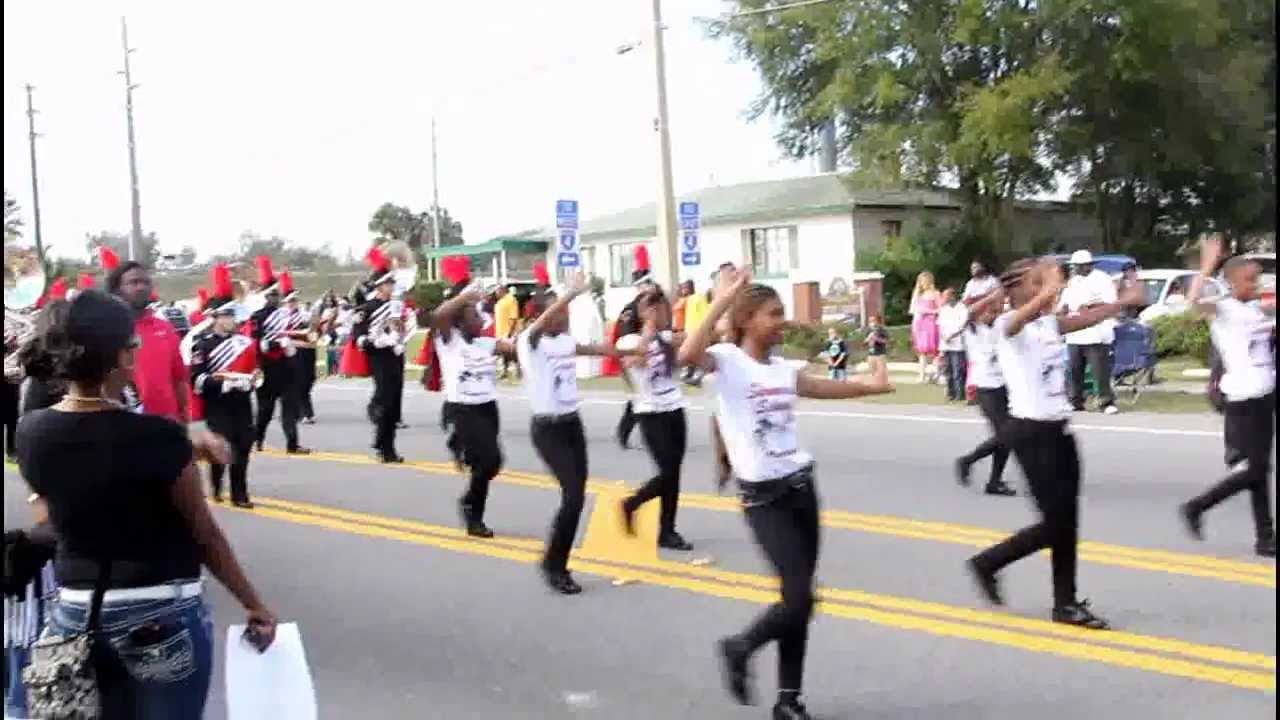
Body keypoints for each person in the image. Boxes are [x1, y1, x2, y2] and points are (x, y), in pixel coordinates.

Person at [13, 290, 277, 718]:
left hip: (75, 613)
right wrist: (253, 604)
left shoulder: (30, 432)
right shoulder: (157, 436)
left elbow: (62, 502)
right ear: (122, 357)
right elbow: (204, 533)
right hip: (159, 613)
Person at [679, 267, 894, 720]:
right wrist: (723, 298)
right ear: (748, 319)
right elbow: (687, 352)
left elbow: (824, 387)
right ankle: (740, 647)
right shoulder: (726, 360)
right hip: (765, 498)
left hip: (801, 487)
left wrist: (870, 387)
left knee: (797, 600)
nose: (781, 322)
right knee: (799, 599)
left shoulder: (782, 368)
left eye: (781, 314)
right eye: (773, 314)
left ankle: (788, 698)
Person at [967, 258, 1144, 630]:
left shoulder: (1049, 323)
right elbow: (1016, 321)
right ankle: (989, 563)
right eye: (1036, 282)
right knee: (1056, 524)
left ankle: (1065, 603)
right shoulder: (1006, 325)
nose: (1050, 286)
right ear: (1017, 291)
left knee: (1067, 522)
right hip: (1031, 434)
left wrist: (1124, 301)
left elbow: (1087, 319)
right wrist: (1049, 287)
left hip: (1060, 431)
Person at [517, 273, 626, 595]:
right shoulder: (529, 342)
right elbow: (542, 325)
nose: (565, 317)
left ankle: (555, 561)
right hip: (547, 428)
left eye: (566, 313)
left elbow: (586, 348)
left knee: (576, 498)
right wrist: (570, 294)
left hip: (571, 424)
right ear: (541, 316)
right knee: (574, 496)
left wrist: (614, 352)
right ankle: (555, 565)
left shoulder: (563, 340)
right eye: (558, 313)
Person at [1180, 235, 1276, 557]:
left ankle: (1266, 537)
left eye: (1257, 278)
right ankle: (1197, 506)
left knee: (1260, 471)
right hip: (1243, 402)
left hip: (1265, 398)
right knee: (1254, 470)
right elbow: (1193, 305)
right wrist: (1208, 265)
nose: (1256, 283)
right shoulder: (1223, 309)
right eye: (1249, 279)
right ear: (1232, 281)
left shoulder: (1257, 309)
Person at [432, 284, 514, 538]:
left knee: (493, 463)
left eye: (480, 315)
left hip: (488, 407)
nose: (481, 320)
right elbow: (440, 316)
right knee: (488, 460)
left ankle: (461, 446)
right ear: (461, 322)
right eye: (474, 316)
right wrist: (463, 297)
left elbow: (513, 349)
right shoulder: (449, 342)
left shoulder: (485, 343)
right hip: (463, 409)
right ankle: (472, 512)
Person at [616, 289, 694, 551]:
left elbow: (692, 337)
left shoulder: (665, 337)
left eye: (661, 308)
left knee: (674, 474)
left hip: (674, 409)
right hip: (650, 413)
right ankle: (632, 503)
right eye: (653, 308)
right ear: (639, 313)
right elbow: (636, 355)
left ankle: (667, 531)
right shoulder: (628, 340)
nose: (660, 312)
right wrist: (649, 327)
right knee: (667, 472)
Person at [190, 302, 258, 507]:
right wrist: (222, 383)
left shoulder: (244, 343)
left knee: (243, 447)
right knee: (222, 448)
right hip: (218, 405)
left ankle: (240, 495)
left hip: (242, 403)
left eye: (232, 316)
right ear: (216, 318)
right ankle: (217, 484)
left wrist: (251, 380)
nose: (230, 320)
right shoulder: (202, 345)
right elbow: (196, 379)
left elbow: (254, 370)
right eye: (226, 316)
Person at [108, 261, 189, 422]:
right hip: (124, 427)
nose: (141, 287)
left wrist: (185, 419)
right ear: (118, 289)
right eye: (133, 282)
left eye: (145, 282)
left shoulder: (165, 328)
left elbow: (179, 378)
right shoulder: (107, 329)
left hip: (167, 426)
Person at [955, 290, 1017, 497]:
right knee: (1007, 434)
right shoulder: (972, 329)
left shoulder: (998, 326)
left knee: (1005, 437)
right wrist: (994, 294)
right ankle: (968, 460)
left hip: (1004, 385)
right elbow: (969, 313)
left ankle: (995, 482)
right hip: (985, 387)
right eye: (990, 309)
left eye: (997, 309)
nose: (995, 312)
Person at [353, 273, 411, 463]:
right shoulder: (367, 308)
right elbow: (358, 337)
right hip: (380, 357)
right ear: (379, 287)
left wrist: (401, 339)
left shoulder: (397, 307)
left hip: (396, 355)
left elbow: (405, 326)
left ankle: (383, 443)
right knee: (385, 400)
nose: (392, 286)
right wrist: (378, 342)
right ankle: (386, 449)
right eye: (388, 283)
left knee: (394, 403)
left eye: (393, 283)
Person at [250, 284, 309, 454]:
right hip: (267, 367)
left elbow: (294, 333)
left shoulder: (285, 314)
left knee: (290, 408)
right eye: (271, 295)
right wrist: (277, 343)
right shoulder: (258, 317)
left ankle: (292, 444)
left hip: (287, 366)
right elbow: (257, 344)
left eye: (277, 295)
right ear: (265, 297)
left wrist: (297, 340)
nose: (275, 298)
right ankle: (258, 439)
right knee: (265, 410)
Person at [1060, 249, 1120, 414]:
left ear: (1088, 265)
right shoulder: (1073, 281)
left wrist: (1089, 306)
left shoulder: (1102, 279)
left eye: (1079, 266)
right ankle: (1076, 402)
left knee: (1099, 372)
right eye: (1074, 266)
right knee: (1075, 370)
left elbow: (1110, 303)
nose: (1076, 269)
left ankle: (1106, 402)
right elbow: (1064, 304)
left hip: (1096, 333)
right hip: (1075, 334)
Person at [937, 288, 969, 401]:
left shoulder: (962, 308)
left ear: (952, 296)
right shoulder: (944, 310)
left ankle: (960, 394)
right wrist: (944, 337)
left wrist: (952, 335)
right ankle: (951, 393)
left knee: (958, 370)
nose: (943, 299)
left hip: (958, 344)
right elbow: (940, 325)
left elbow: (963, 324)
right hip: (946, 344)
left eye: (945, 296)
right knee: (948, 370)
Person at [910, 271, 941, 383]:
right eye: (921, 281)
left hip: (932, 323)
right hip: (920, 324)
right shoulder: (918, 294)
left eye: (925, 280)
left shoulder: (935, 294)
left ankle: (936, 374)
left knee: (934, 351)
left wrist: (929, 311)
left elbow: (940, 309)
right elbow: (913, 310)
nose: (923, 283)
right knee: (922, 351)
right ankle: (922, 376)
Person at [494, 284, 520, 379]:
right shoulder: (499, 302)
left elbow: (513, 317)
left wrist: (510, 332)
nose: (496, 294)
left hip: (508, 332)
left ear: (503, 290)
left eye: (497, 291)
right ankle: (504, 371)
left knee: (513, 352)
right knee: (504, 353)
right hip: (500, 332)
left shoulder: (511, 299)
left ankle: (519, 370)